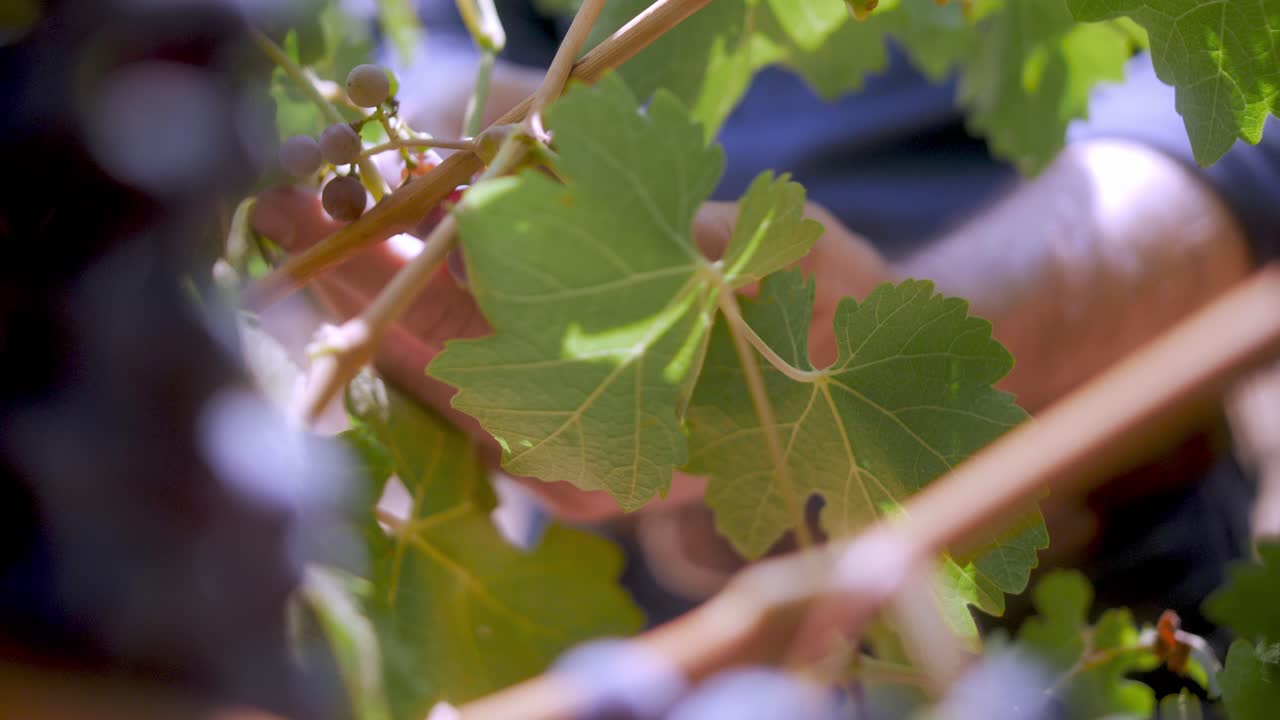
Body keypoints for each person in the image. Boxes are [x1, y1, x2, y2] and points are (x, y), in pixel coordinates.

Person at [252, 0, 1280, 644]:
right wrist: (427, 138)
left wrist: (899, 355)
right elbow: (387, 55)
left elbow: (1245, 98)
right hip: (666, 644)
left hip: (1108, 569)